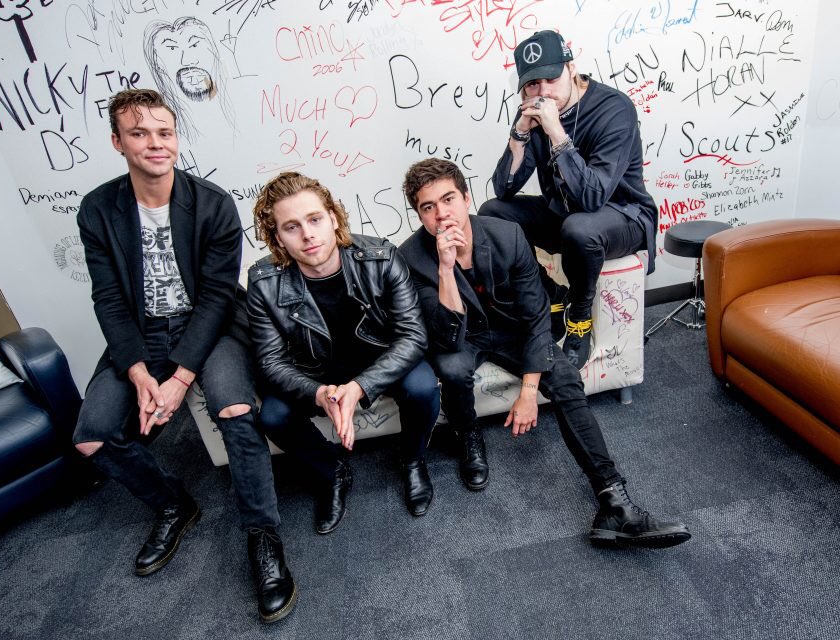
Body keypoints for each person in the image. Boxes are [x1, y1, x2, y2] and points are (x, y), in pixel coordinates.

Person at [72, 89, 295, 623]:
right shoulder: (98, 210)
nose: (155, 143)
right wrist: (137, 370)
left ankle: (263, 537)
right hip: (140, 332)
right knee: (90, 436)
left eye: (164, 132)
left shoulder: (212, 203)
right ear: (117, 142)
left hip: (210, 326)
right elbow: (108, 298)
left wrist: (179, 378)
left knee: (235, 409)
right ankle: (174, 504)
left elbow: (217, 297)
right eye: (139, 133)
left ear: (176, 138)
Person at [399, 158, 690, 548]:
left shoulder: (507, 235)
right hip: (463, 335)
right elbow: (447, 337)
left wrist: (529, 390)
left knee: (566, 378)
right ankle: (467, 436)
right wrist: (446, 270)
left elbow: (536, 315)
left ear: (466, 198)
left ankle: (614, 501)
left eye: (448, 199)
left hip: (513, 331)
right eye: (428, 207)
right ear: (419, 215)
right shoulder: (412, 257)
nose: (441, 214)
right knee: (452, 368)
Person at [247, 172, 440, 529]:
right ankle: (331, 471)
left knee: (423, 386)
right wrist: (318, 393)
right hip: (313, 371)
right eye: (291, 227)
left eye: (315, 219)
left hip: (378, 360)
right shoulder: (263, 282)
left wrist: (361, 386)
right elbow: (270, 362)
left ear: (333, 218)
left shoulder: (381, 257)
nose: (307, 235)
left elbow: (413, 336)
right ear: (278, 238)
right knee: (273, 415)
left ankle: (412, 459)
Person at [479, 30, 658, 370]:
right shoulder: (535, 111)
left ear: (571, 69)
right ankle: (549, 293)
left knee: (580, 227)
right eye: (533, 85)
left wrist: (556, 132)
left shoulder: (614, 109)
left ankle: (579, 315)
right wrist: (520, 133)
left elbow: (593, 197)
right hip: (564, 212)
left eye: (552, 78)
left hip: (623, 215)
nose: (544, 92)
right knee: (491, 215)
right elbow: (504, 189)